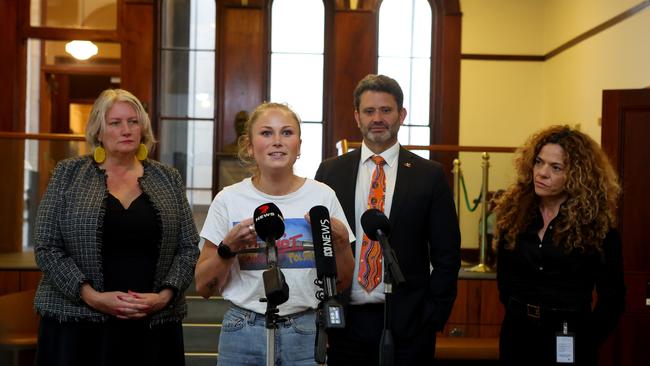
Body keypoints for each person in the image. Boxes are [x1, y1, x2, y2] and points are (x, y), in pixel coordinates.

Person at [33, 89, 200, 366]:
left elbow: (187, 247)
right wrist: (92, 297)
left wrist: (164, 296)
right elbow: (47, 247)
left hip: (152, 323)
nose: (126, 130)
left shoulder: (167, 177)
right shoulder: (68, 174)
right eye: (115, 123)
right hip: (77, 324)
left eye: (133, 122)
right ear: (98, 131)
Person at [315, 74, 461, 364]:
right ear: (357, 117)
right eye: (369, 111)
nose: (377, 118)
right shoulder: (330, 172)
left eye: (386, 110)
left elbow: (447, 253)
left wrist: (433, 315)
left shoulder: (429, 175)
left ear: (401, 115)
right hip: (345, 322)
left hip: (410, 323)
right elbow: (320, 246)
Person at [194, 102, 355, 365]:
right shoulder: (228, 200)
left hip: (304, 329)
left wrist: (340, 244)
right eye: (266, 133)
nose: (277, 141)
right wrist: (228, 248)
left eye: (287, 133)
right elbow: (203, 287)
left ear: (299, 146)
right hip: (242, 329)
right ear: (249, 145)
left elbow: (345, 278)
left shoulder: (323, 197)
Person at [494, 125, 626, 365]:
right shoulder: (514, 214)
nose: (541, 173)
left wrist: (587, 338)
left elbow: (613, 298)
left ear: (577, 175)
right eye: (539, 162)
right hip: (518, 333)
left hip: (570, 335)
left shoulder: (598, 226)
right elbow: (505, 282)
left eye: (555, 167)